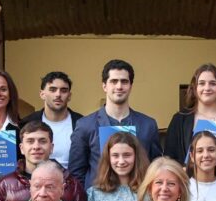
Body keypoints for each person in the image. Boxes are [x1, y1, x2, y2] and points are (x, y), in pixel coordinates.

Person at [68, 59, 163, 188]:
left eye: (124, 81)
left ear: (131, 86)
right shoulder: (85, 125)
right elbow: (76, 173)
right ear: (104, 86)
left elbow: (156, 167)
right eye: (113, 81)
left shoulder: (148, 125)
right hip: (98, 196)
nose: (119, 86)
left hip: (138, 196)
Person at [0, 120, 87, 201]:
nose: (36, 146)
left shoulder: (71, 184)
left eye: (42, 141)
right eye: (30, 141)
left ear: (51, 147)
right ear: (21, 148)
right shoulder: (2, 187)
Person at [19, 71, 83, 169]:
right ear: (42, 94)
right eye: (52, 90)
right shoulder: (26, 123)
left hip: (73, 178)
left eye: (63, 90)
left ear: (69, 96)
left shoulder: (82, 124)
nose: (58, 94)